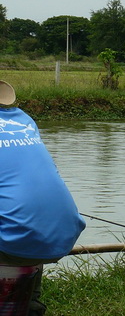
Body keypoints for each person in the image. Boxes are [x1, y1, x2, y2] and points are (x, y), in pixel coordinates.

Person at [0, 80, 85, 315]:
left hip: (18, 236)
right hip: (60, 230)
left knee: (15, 225)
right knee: (19, 219)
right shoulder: (24, 119)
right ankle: (27, 302)